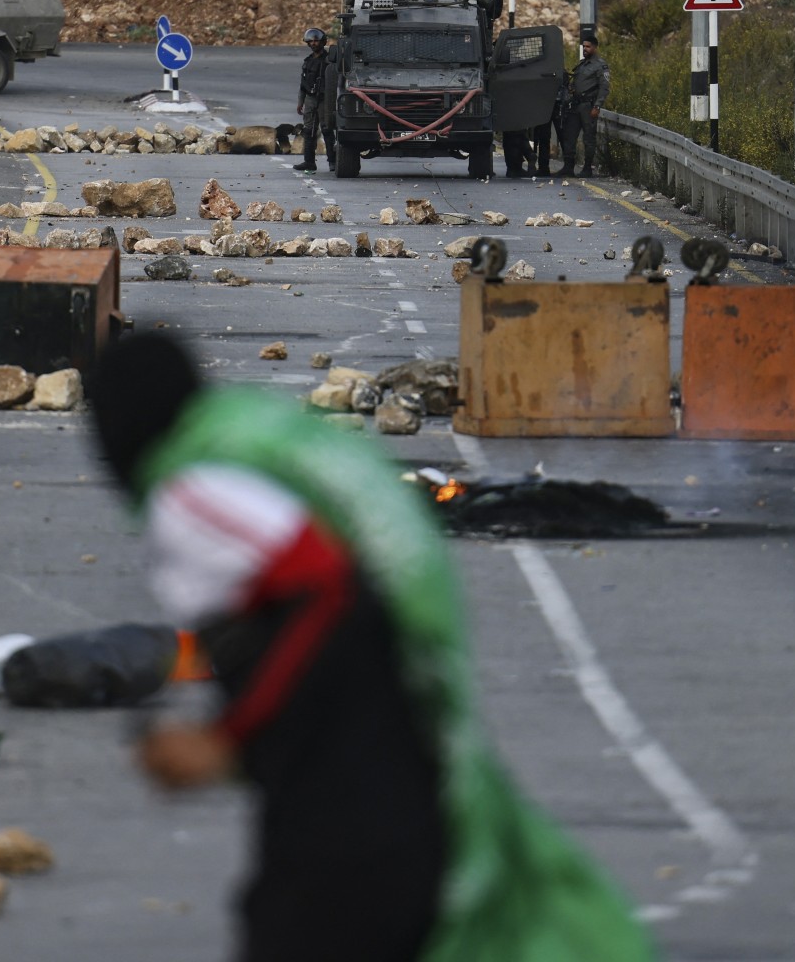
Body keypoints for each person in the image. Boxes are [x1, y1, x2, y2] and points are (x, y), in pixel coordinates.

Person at [89, 334, 657, 962]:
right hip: (392, 784)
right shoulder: (259, 450)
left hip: (345, 822)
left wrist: (228, 739)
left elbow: (325, 591)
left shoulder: (191, 492)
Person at [561, 30, 609, 178]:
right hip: (576, 105)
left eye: (588, 47)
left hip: (589, 107)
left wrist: (597, 106)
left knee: (588, 138)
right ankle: (568, 167)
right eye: (583, 47)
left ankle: (587, 168)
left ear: (594, 48)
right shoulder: (582, 65)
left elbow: (604, 87)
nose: (585, 49)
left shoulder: (600, 66)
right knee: (570, 136)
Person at [294, 27, 336, 173]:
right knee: (308, 131)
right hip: (310, 100)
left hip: (325, 99)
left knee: (327, 130)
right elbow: (303, 84)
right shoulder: (308, 62)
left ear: (323, 42)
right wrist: (301, 102)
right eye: (310, 41)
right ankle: (309, 162)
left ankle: (333, 162)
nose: (313, 43)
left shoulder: (329, 61)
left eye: (316, 41)